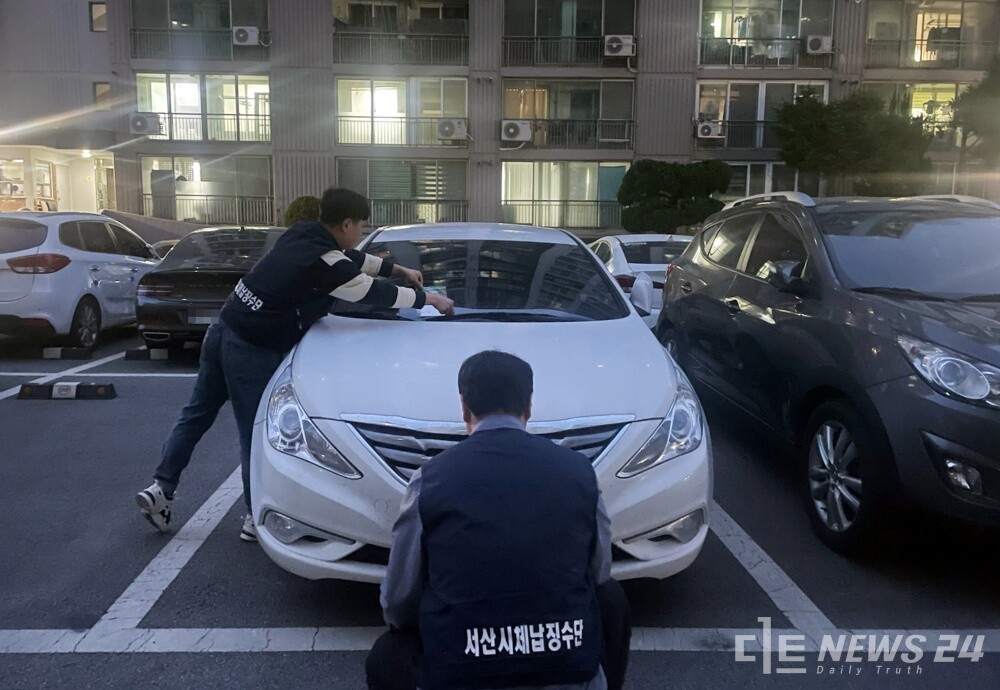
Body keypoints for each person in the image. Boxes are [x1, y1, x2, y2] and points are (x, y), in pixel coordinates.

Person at [137, 188, 455, 540]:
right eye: (361, 227)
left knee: (196, 413)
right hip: (251, 346)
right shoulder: (325, 263)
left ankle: (161, 488)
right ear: (347, 223)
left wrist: (398, 268)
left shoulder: (303, 232)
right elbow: (370, 291)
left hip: (223, 327)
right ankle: (252, 518)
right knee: (255, 432)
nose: (362, 234)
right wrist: (430, 298)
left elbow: (352, 259)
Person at [366, 351, 631, 690]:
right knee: (612, 600)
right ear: (529, 406)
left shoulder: (430, 479)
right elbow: (600, 571)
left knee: (387, 655)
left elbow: (399, 600)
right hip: (566, 670)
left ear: (464, 407)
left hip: (460, 670)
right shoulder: (579, 472)